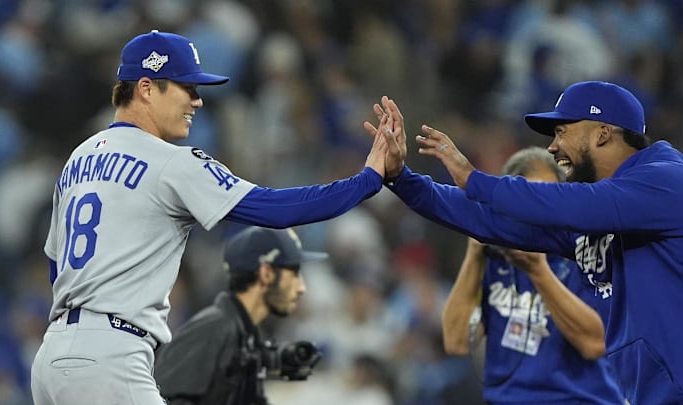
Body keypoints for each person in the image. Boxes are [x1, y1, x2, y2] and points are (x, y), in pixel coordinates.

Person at [31, 30, 391, 405]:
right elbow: (276, 209)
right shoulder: (171, 162)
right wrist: (368, 180)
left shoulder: (79, 158)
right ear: (146, 88)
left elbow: (57, 266)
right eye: (187, 88)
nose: (198, 101)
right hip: (112, 356)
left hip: (51, 358)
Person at [369, 82, 683, 403]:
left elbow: (565, 203)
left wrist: (473, 178)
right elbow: (492, 220)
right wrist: (404, 180)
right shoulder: (598, 216)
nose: (552, 146)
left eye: (562, 131)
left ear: (602, 133)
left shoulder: (668, 182)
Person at [441, 147, 623, 403]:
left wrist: (538, 271)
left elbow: (595, 344)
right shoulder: (495, 258)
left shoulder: (586, 254)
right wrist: (475, 250)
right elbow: (456, 342)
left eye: (545, 199)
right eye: (526, 200)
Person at [154, 226, 324, 405]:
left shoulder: (244, 334)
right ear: (266, 275)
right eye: (293, 275)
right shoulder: (214, 330)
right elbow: (159, 396)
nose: (301, 287)